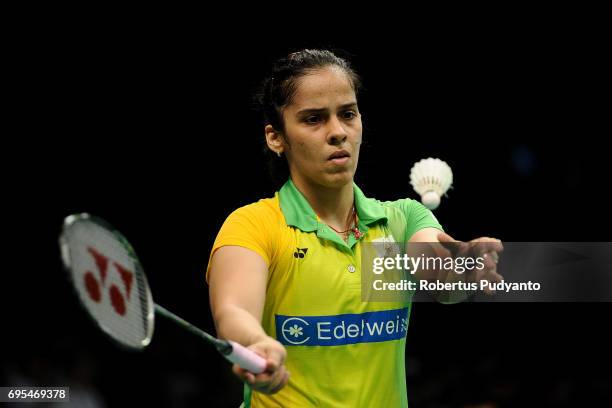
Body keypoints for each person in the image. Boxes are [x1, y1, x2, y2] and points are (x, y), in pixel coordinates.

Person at [206, 49, 503, 407]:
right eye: (314, 119)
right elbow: (233, 311)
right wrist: (256, 343)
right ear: (276, 137)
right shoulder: (254, 226)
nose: (337, 132)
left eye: (347, 114)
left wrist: (464, 271)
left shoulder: (403, 219)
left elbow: (439, 277)